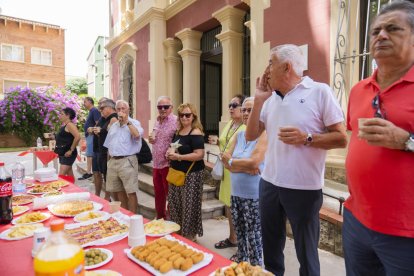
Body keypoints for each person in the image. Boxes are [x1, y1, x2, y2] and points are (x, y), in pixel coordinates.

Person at [245, 44, 347, 276]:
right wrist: (259, 100)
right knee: (271, 249)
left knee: (306, 253)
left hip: (304, 188)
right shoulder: (269, 100)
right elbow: (251, 135)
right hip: (269, 184)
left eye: (271, 63)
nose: (267, 69)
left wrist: (307, 138)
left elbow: (342, 138)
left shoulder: (319, 92)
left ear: (286, 67)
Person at [343, 1, 414, 275]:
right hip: (356, 220)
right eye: (375, 31)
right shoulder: (359, 90)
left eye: (393, 28)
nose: (381, 35)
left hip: (405, 233)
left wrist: (407, 141)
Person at [221, 97, 267, 265]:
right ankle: (242, 267)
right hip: (236, 194)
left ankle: (256, 271)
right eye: (245, 110)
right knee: (240, 238)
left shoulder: (264, 134)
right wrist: (244, 166)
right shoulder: (239, 134)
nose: (247, 113)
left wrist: (234, 162)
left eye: (251, 110)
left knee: (255, 240)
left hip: (254, 197)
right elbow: (224, 160)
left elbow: (254, 162)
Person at [211, 94, 246, 250]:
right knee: (229, 206)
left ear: (242, 108)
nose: (231, 108)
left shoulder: (246, 127)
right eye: (229, 105)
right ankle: (233, 238)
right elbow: (226, 144)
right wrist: (218, 142)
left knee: (238, 208)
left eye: (234, 105)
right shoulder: (230, 124)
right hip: (227, 170)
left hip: (237, 172)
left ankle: (241, 244)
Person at [166, 103, 205, 241]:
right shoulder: (178, 132)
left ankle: (189, 235)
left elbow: (199, 154)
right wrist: (170, 152)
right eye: (181, 115)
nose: (184, 117)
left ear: (193, 116)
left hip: (192, 175)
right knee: (175, 203)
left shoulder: (195, 132)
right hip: (176, 174)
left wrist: (179, 157)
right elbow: (174, 148)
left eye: (187, 115)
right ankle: (179, 230)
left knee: (189, 205)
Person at [104, 100, 143, 212]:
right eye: (118, 109)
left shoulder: (134, 123)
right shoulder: (114, 125)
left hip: (127, 160)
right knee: (118, 191)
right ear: (115, 111)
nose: (121, 111)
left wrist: (127, 122)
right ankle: (125, 214)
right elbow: (109, 145)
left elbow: (136, 135)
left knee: (131, 191)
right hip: (113, 161)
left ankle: (133, 217)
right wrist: (109, 162)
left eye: (123, 109)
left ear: (128, 109)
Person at [148, 96, 177, 219]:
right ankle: (160, 217)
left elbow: (179, 140)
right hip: (156, 164)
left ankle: (171, 219)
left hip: (168, 164)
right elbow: (154, 136)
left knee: (169, 194)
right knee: (158, 193)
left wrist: (173, 150)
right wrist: (151, 138)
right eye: (160, 107)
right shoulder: (157, 120)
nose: (163, 109)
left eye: (166, 107)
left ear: (172, 107)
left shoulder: (177, 121)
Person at [93, 98, 117, 200]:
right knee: (105, 176)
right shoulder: (106, 119)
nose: (100, 110)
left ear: (110, 107)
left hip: (108, 153)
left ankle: (108, 198)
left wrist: (101, 131)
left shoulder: (113, 118)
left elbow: (114, 136)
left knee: (109, 178)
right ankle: (108, 198)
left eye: (102, 108)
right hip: (102, 151)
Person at [79, 97, 101, 181]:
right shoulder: (91, 111)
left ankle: (89, 172)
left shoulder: (94, 110)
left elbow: (97, 123)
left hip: (92, 135)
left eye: (85, 102)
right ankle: (88, 171)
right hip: (89, 135)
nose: (84, 103)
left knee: (90, 154)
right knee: (89, 154)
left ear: (90, 102)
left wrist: (92, 129)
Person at [55, 107, 81, 177]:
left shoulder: (70, 125)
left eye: (62, 114)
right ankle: (74, 188)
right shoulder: (65, 125)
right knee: (69, 175)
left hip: (68, 154)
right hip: (63, 153)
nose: (60, 115)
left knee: (61, 176)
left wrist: (71, 150)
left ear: (68, 115)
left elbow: (78, 137)